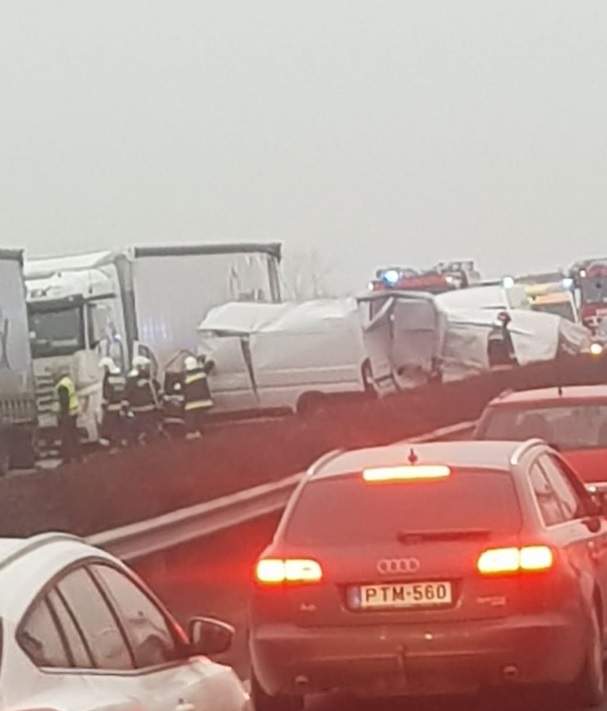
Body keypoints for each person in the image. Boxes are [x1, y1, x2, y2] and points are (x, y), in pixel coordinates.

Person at [126, 355, 163, 443]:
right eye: (146, 366)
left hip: (141, 412)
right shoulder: (146, 381)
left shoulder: (132, 381)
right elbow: (159, 393)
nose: (148, 368)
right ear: (140, 367)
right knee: (150, 433)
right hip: (145, 412)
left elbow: (126, 397)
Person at [54, 368, 82, 465]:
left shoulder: (62, 385)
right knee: (74, 436)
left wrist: (62, 414)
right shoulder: (69, 382)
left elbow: (64, 401)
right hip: (73, 412)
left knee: (66, 437)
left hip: (67, 414)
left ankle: (67, 458)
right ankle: (78, 457)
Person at [183, 354, 215, 436]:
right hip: (204, 400)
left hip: (191, 402)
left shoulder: (184, 377)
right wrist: (202, 360)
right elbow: (210, 364)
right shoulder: (202, 372)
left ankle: (191, 432)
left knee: (191, 416)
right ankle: (199, 431)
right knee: (200, 415)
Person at [99, 357, 127, 449]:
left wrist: (103, 404)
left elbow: (107, 394)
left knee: (109, 426)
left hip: (111, 406)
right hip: (120, 405)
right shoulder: (121, 376)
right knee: (119, 426)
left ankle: (112, 445)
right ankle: (122, 442)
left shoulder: (108, 378)